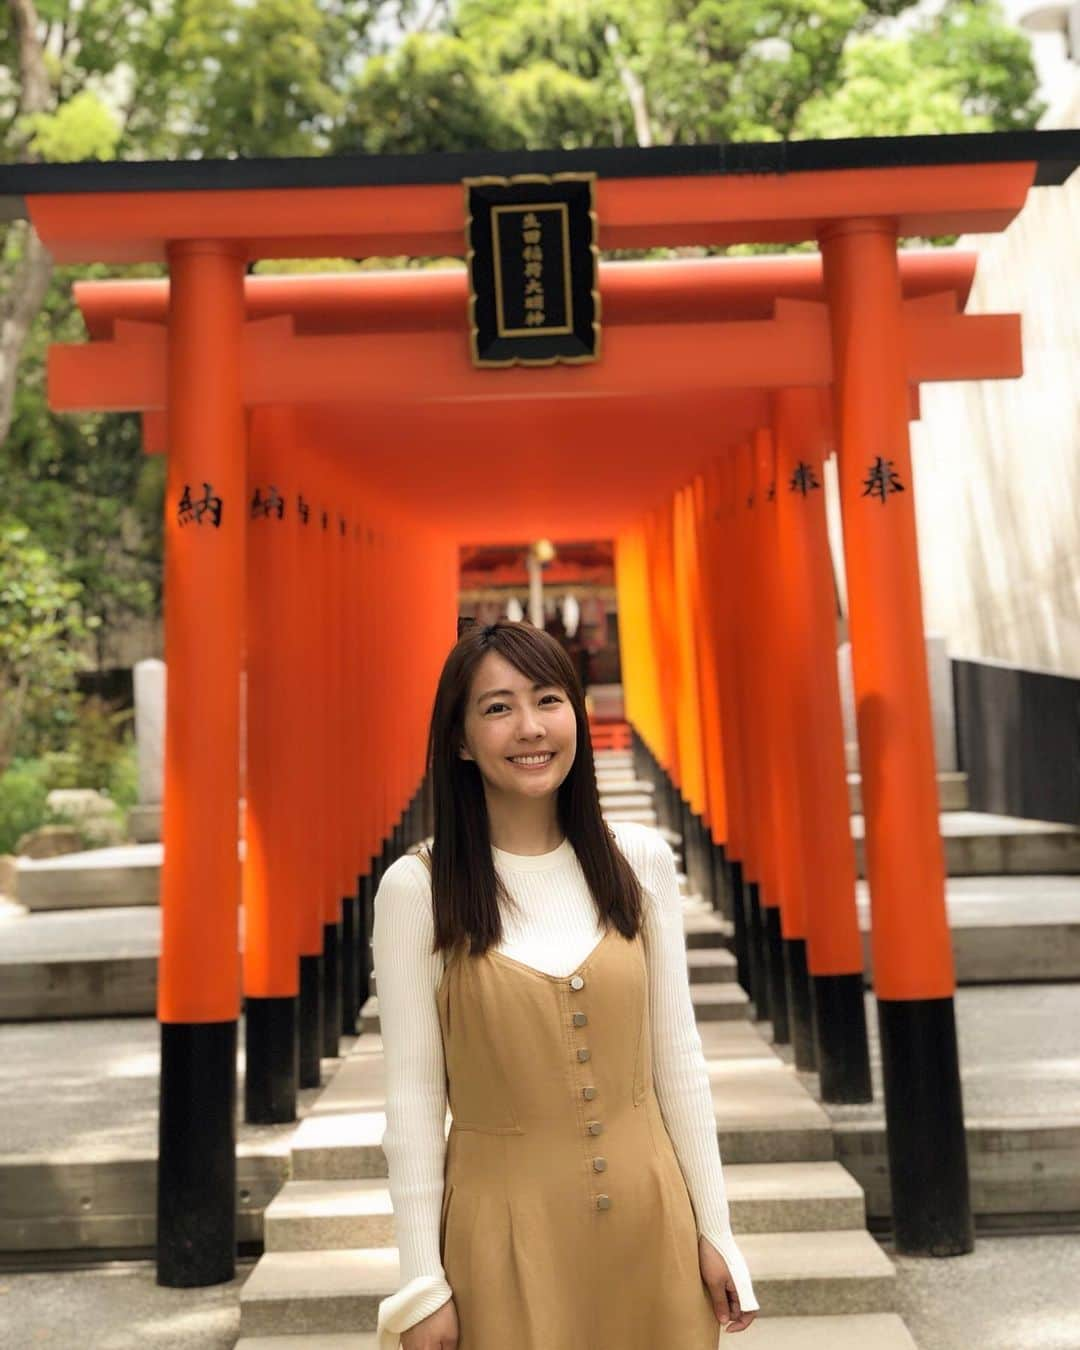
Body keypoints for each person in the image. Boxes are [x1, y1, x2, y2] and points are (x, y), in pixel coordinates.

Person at [373, 619, 760, 1349]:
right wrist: (421, 1281)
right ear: (459, 739)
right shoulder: (417, 890)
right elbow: (414, 1098)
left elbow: (677, 1057)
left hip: (655, 1228)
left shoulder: (638, 861)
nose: (530, 728)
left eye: (548, 700)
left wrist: (717, 1229)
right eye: (497, 707)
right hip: (503, 1239)